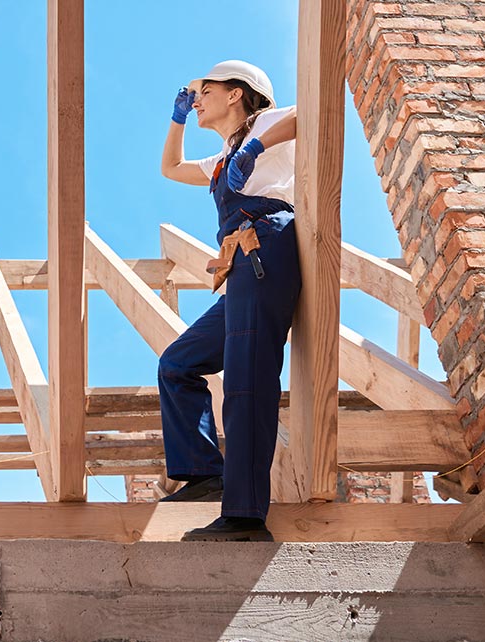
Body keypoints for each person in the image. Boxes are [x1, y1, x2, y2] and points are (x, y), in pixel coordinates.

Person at [157, 60, 301, 542]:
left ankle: (244, 515)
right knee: (177, 364)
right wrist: (176, 119)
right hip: (240, 261)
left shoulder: (266, 123)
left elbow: (311, 116)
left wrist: (258, 144)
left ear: (237, 93)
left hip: (266, 245)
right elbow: (170, 168)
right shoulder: (221, 156)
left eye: (204, 91)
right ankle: (203, 472)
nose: (196, 100)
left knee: (246, 381)